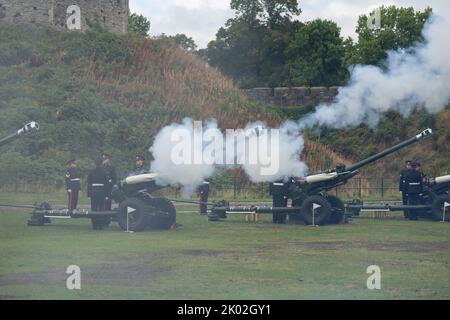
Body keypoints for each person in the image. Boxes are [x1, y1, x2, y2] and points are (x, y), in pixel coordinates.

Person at [87, 158, 110, 230]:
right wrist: (107, 195)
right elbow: (107, 185)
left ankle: (94, 224)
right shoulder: (104, 172)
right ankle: (100, 225)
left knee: (94, 208)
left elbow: (89, 184)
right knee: (101, 209)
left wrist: (89, 194)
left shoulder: (91, 172)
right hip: (101, 192)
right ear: (101, 164)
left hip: (94, 192)